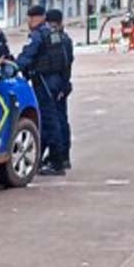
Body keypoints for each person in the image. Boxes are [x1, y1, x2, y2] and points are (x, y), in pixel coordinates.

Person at [16, 5, 70, 176]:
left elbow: (27, 56)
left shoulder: (38, 35)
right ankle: (56, 158)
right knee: (54, 121)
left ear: (37, 18)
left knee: (48, 122)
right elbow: (65, 60)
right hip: (55, 82)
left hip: (43, 83)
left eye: (30, 18)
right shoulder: (54, 34)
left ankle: (56, 162)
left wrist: (12, 68)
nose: (29, 22)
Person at [45, 9, 75, 169]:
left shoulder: (57, 39)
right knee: (61, 120)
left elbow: (63, 63)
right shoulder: (66, 39)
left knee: (55, 121)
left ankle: (59, 157)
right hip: (62, 84)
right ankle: (63, 157)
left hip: (55, 85)